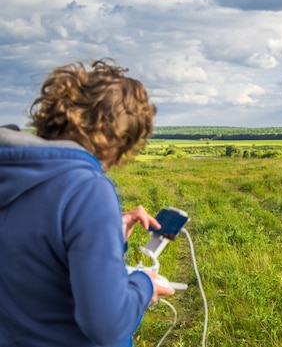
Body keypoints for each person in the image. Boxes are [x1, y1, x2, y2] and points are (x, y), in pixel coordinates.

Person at [0, 59, 174, 347]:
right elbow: (107, 326)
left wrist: (107, 234)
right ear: (116, 139)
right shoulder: (85, 190)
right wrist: (144, 284)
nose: (118, 161)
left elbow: (35, 266)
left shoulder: (11, 172)